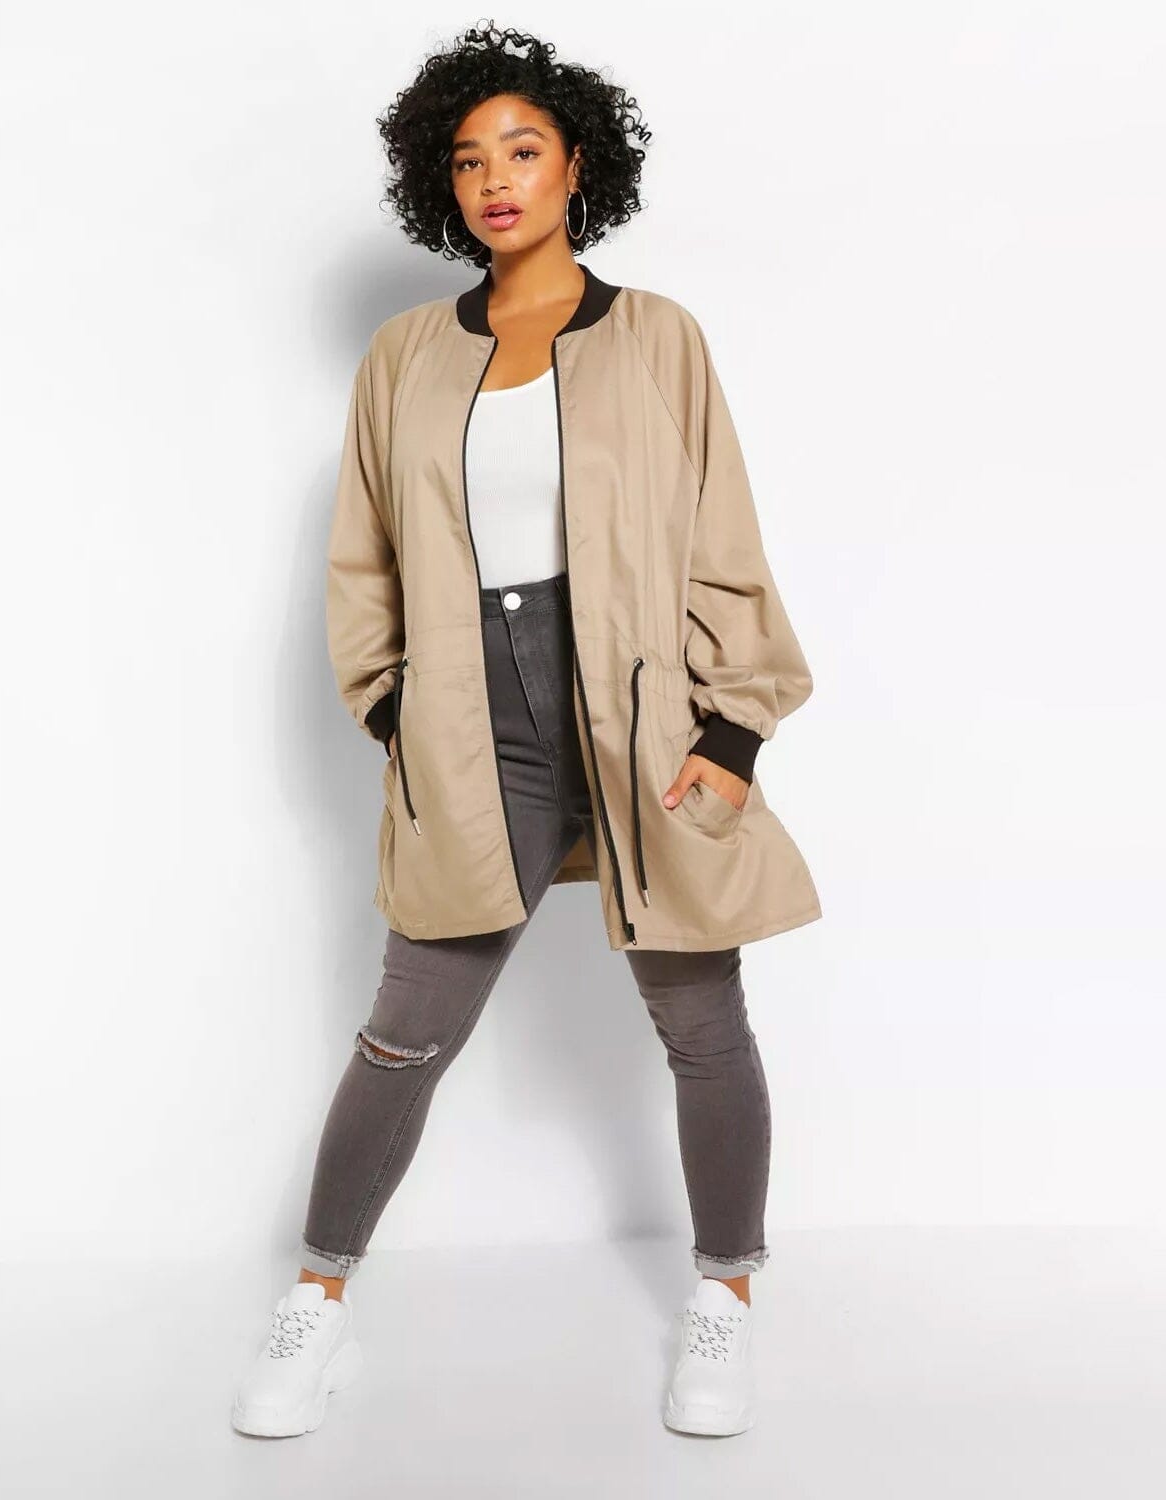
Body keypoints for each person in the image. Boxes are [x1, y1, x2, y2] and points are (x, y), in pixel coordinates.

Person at [232, 21, 820, 1441]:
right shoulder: (403, 358)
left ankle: (725, 1296)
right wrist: (395, 712)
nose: (495, 179)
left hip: (639, 715)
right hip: (467, 723)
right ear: (442, 186)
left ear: (577, 167)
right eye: (467, 159)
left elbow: (722, 534)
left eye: (523, 150)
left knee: (701, 1017)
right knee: (406, 1030)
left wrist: (733, 730)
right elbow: (363, 557)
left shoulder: (660, 338)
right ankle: (318, 1296)